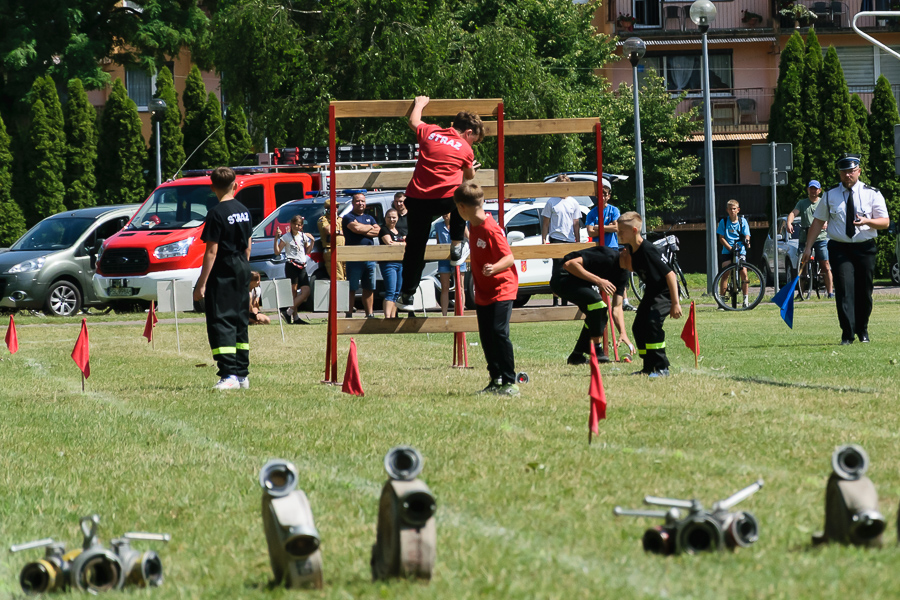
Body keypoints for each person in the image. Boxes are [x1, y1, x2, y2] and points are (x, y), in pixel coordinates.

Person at [397, 95, 483, 311]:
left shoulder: (431, 132)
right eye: (474, 140)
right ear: (468, 132)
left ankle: (407, 295)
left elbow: (413, 121)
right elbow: (469, 176)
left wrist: (419, 104)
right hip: (445, 201)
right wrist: (471, 168)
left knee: (415, 248)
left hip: (417, 200)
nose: (472, 144)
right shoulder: (465, 149)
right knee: (463, 196)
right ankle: (456, 245)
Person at [802, 153, 889, 344]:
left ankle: (862, 329)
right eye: (844, 172)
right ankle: (847, 334)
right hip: (840, 248)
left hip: (865, 248)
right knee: (843, 289)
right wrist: (808, 247)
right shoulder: (830, 194)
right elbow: (818, 222)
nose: (847, 175)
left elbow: (885, 222)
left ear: (859, 171)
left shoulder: (872, 193)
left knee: (864, 291)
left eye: (851, 171)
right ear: (839, 173)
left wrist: (867, 221)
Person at [454, 182, 519, 396]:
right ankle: (496, 379)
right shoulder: (473, 225)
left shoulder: (491, 228)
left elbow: (509, 258)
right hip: (484, 291)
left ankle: (510, 382)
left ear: (462, 207)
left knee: (499, 332)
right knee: (486, 336)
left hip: (502, 288)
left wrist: (494, 268)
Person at [193, 166, 253, 391]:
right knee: (239, 319)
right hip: (242, 266)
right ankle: (242, 374)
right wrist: (243, 267)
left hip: (224, 268)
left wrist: (202, 283)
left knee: (221, 320)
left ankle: (229, 374)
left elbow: (211, 251)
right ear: (235, 185)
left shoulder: (216, 213)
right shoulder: (244, 210)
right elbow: (248, 245)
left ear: (212, 188)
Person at [618, 211, 682, 377]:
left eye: (621, 231)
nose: (618, 234)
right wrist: (624, 260)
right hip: (652, 291)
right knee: (638, 327)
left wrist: (675, 303)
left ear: (634, 230)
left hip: (665, 292)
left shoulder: (648, 249)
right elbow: (634, 268)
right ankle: (648, 366)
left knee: (652, 323)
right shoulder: (630, 248)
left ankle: (661, 368)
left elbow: (671, 275)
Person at [550, 244, 634, 366]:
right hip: (563, 278)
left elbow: (617, 307)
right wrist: (599, 281)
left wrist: (623, 332)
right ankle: (596, 348)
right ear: (625, 252)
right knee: (598, 306)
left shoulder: (623, 274)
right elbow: (569, 264)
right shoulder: (607, 256)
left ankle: (576, 356)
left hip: (580, 283)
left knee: (597, 314)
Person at [585, 177, 636, 311]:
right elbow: (590, 232)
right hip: (599, 248)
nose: (602, 197)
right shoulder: (592, 213)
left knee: (619, 274)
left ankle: (624, 301)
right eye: (600, 195)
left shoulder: (614, 210)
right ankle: (602, 301)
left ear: (608, 196)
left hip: (612, 247)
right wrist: (606, 227)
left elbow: (616, 227)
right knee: (600, 275)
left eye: (605, 195)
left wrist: (598, 227)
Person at [788, 180, 834, 299]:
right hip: (805, 237)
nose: (813, 191)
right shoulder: (802, 203)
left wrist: (826, 222)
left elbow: (831, 216)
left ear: (819, 190)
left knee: (825, 265)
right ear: (808, 190)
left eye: (815, 189)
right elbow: (793, 213)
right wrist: (789, 223)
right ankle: (801, 293)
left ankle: (830, 292)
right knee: (802, 264)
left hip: (820, 238)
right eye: (811, 188)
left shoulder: (823, 203)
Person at [342, 192, 380, 318]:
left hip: (369, 257)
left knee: (369, 287)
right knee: (352, 287)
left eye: (363, 201)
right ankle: (349, 314)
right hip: (354, 257)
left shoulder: (370, 217)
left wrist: (363, 228)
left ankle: (369, 314)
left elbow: (378, 231)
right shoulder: (348, 217)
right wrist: (369, 228)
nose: (360, 203)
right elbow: (356, 229)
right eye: (358, 201)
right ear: (353, 203)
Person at [274, 215, 314, 324]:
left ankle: (288, 312)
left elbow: (308, 251)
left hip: (302, 265)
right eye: (295, 224)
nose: (297, 226)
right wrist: (276, 239)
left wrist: (312, 241)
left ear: (302, 226)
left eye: (299, 225)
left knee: (306, 291)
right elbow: (277, 252)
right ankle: (295, 318)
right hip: (291, 265)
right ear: (291, 224)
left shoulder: (303, 236)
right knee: (294, 292)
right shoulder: (286, 237)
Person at [716, 199, 752, 307]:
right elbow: (721, 238)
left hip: (740, 250)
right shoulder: (723, 222)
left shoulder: (742, 221)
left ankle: (745, 300)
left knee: (744, 273)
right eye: (730, 209)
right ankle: (722, 301)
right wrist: (729, 248)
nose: (732, 211)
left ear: (738, 210)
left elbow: (747, 235)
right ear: (727, 210)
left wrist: (747, 242)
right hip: (728, 250)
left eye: (734, 209)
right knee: (725, 272)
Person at [434, 211, 468, 316]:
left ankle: (460, 313)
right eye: (443, 212)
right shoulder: (438, 226)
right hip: (444, 258)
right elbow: (438, 243)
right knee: (444, 287)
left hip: (458, 256)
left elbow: (469, 237)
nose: (445, 214)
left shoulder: (460, 224)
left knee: (460, 286)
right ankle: (444, 314)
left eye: (447, 212)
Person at [380, 208, 405, 318]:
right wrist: (402, 244)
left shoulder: (400, 231)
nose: (391, 219)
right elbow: (389, 243)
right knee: (390, 291)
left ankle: (393, 317)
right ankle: (387, 317)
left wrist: (399, 243)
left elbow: (407, 242)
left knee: (397, 292)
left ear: (398, 218)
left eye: (394, 217)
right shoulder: (383, 230)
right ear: (385, 218)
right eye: (389, 217)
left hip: (400, 263)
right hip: (388, 264)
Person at [317, 198, 345, 280]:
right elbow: (329, 230)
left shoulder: (341, 219)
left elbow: (347, 232)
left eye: (337, 207)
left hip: (343, 250)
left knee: (346, 276)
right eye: (332, 207)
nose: (335, 209)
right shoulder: (323, 220)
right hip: (331, 250)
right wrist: (333, 219)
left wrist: (337, 231)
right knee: (338, 278)